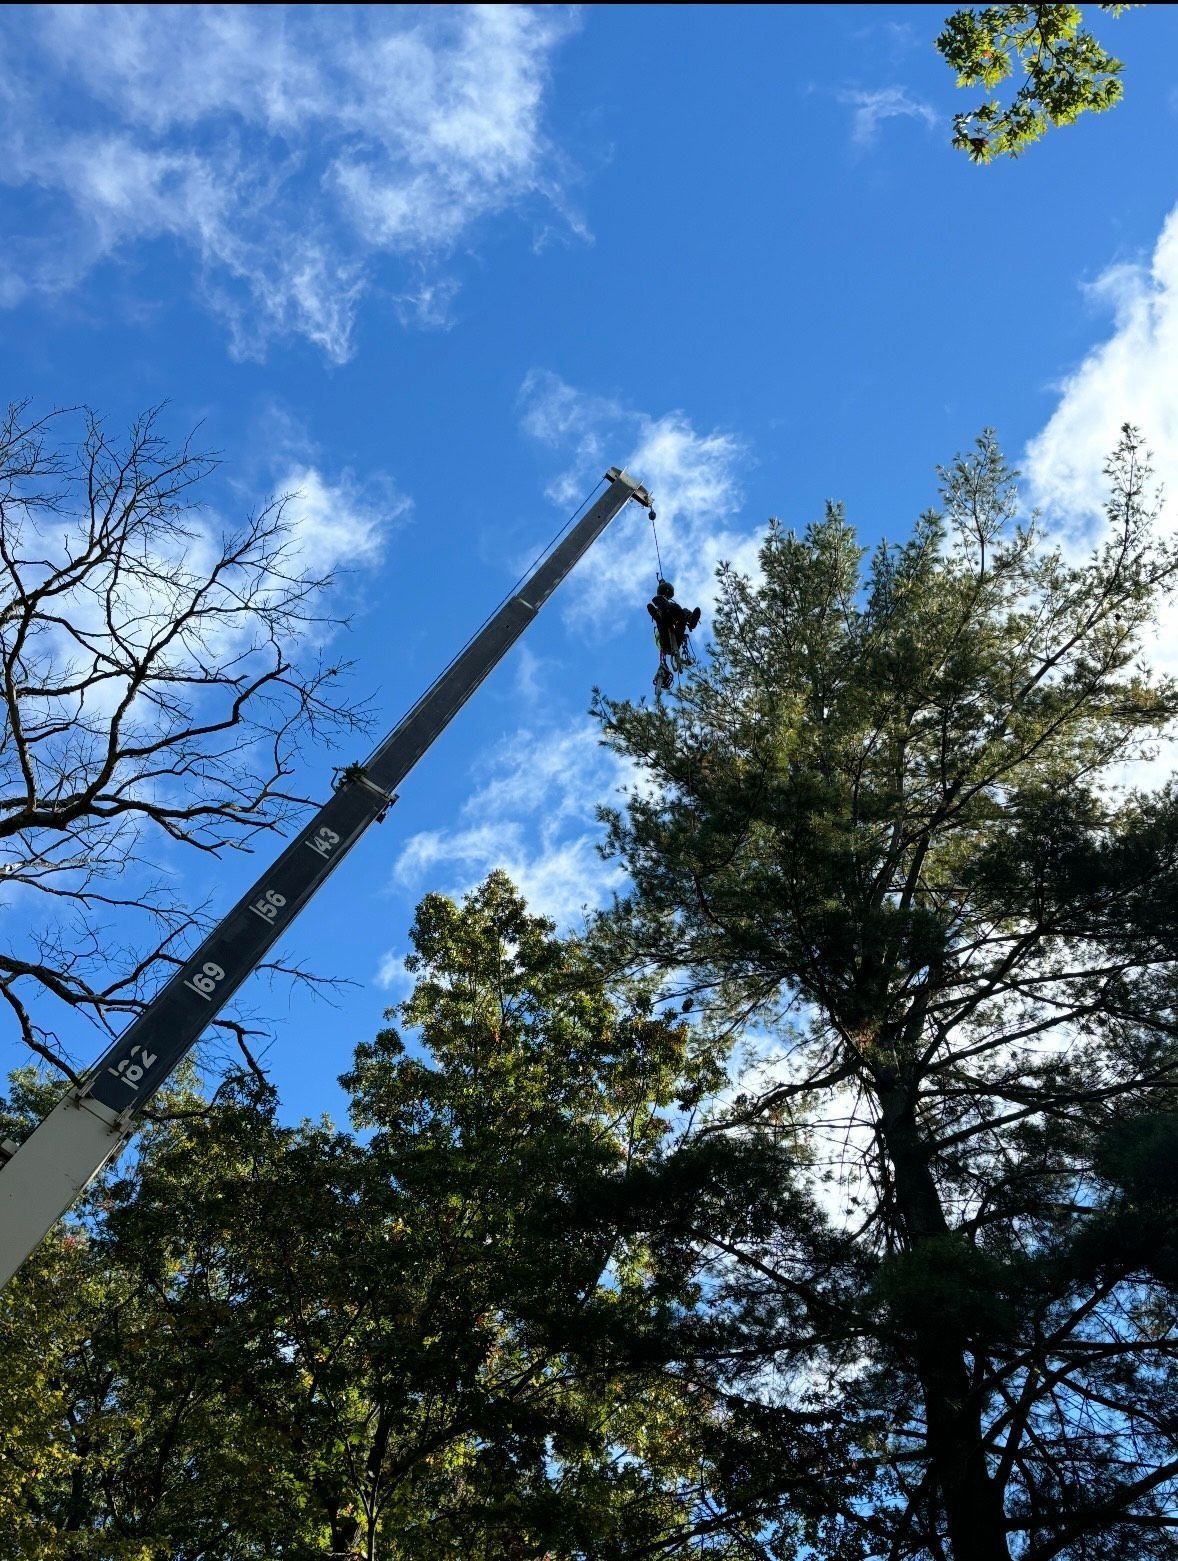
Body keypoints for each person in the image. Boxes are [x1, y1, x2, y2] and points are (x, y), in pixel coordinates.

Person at [647, 579, 701, 691]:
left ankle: (691, 620)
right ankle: (657, 613)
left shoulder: (672, 610)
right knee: (662, 620)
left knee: (681, 613)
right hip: (664, 640)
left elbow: (678, 618)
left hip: (675, 639)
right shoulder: (663, 614)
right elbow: (662, 623)